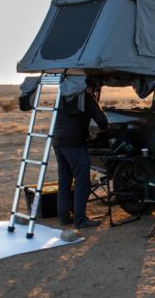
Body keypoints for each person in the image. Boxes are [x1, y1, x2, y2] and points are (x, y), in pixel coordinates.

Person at [52, 82, 108, 228]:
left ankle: (64, 217)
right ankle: (80, 219)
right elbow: (102, 121)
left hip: (58, 141)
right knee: (82, 180)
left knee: (64, 180)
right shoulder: (86, 97)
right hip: (75, 143)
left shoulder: (61, 96)